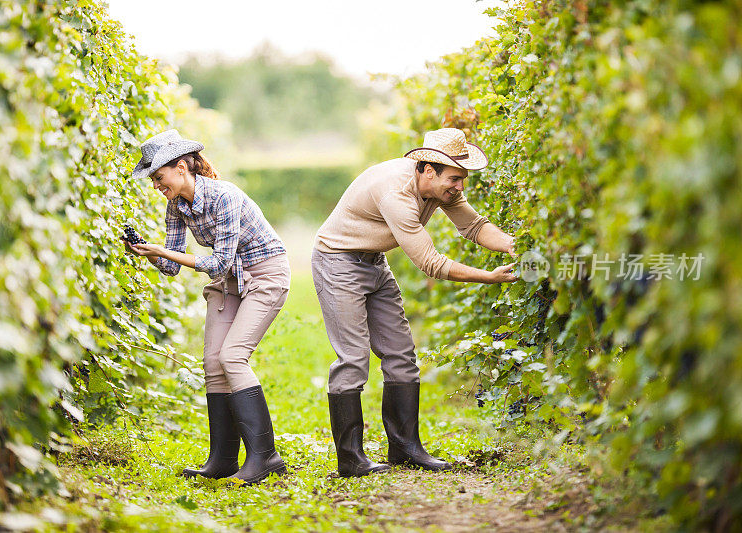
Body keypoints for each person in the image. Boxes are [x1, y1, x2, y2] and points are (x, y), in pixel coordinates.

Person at [312, 127, 518, 477]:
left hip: (375, 262)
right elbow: (431, 264)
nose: (460, 187)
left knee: (402, 355)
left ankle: (406, 449)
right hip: (338, 263)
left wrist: (514, 245)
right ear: (427, 169)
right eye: (455, 178)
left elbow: (474, 226)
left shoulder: (441, 189)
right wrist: (491, 277)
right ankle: (350, 459)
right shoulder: (395, 192)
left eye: (463, 179)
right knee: (353, 358)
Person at [124, 129, 290, 485]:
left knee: (233, 357)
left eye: (158, 176)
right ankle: (223, 459)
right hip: (230, 280)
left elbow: (217, 262)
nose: (155, 184)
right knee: (213, 362)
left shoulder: (224, 196)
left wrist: (162, 251)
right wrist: (144, 250)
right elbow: (170, 266)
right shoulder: (176, 206)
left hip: (264, 275)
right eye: (153, 179)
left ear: (181, 166)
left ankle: (265, 457)